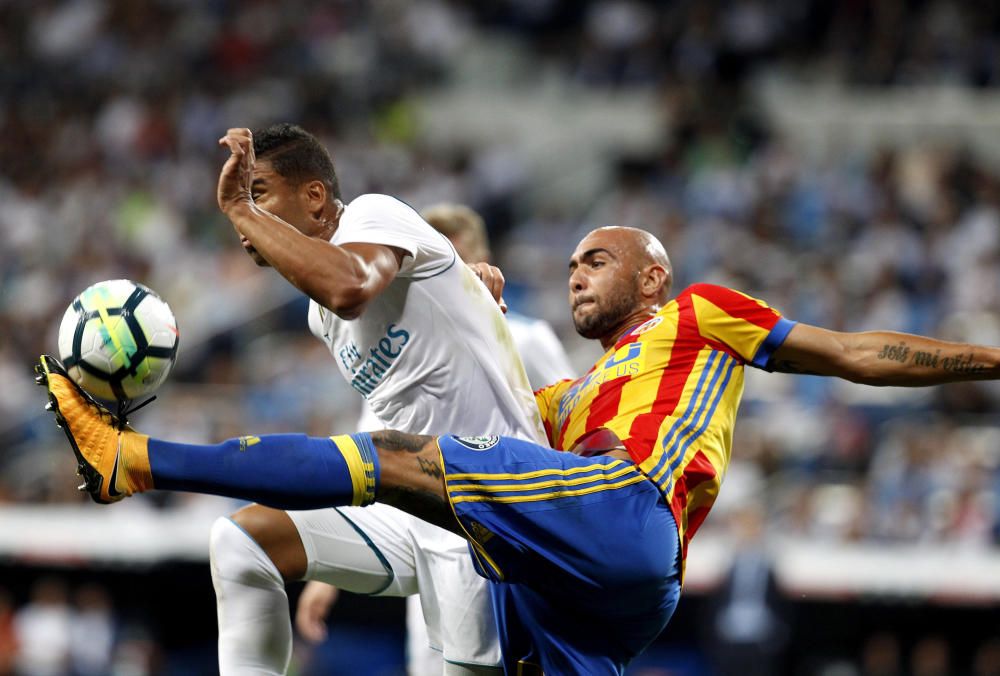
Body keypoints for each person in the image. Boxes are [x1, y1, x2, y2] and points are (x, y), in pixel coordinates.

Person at [39, 140, 1000, 673]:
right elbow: (477, 380)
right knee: (254, 537)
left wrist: (989, 359)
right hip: (567, 577)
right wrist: (469, 293)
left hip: (625, 514)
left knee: (405, 457)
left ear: (655, 273)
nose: (575, 272)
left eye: (598, 257)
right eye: (571, 260)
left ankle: (135, 460)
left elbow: (855, 351)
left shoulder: (704, 316)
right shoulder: (566, 396)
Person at [156, 124, 547, 675]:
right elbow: (392, 408)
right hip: (414, 505)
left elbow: (351, 286)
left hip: (487, 505)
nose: (244, 218)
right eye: (245, 198)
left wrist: (239, 209)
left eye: (260, 190)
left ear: (315, 196)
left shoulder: (372, 214)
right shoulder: (319, 318)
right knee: (244, 540)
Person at [295, 201, 575, 675]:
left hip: (500, 526)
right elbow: (374, 454)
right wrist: (330, 577)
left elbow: (570, 419)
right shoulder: (395, 353)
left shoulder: (526, 337)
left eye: (453, 255)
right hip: (424, 536)